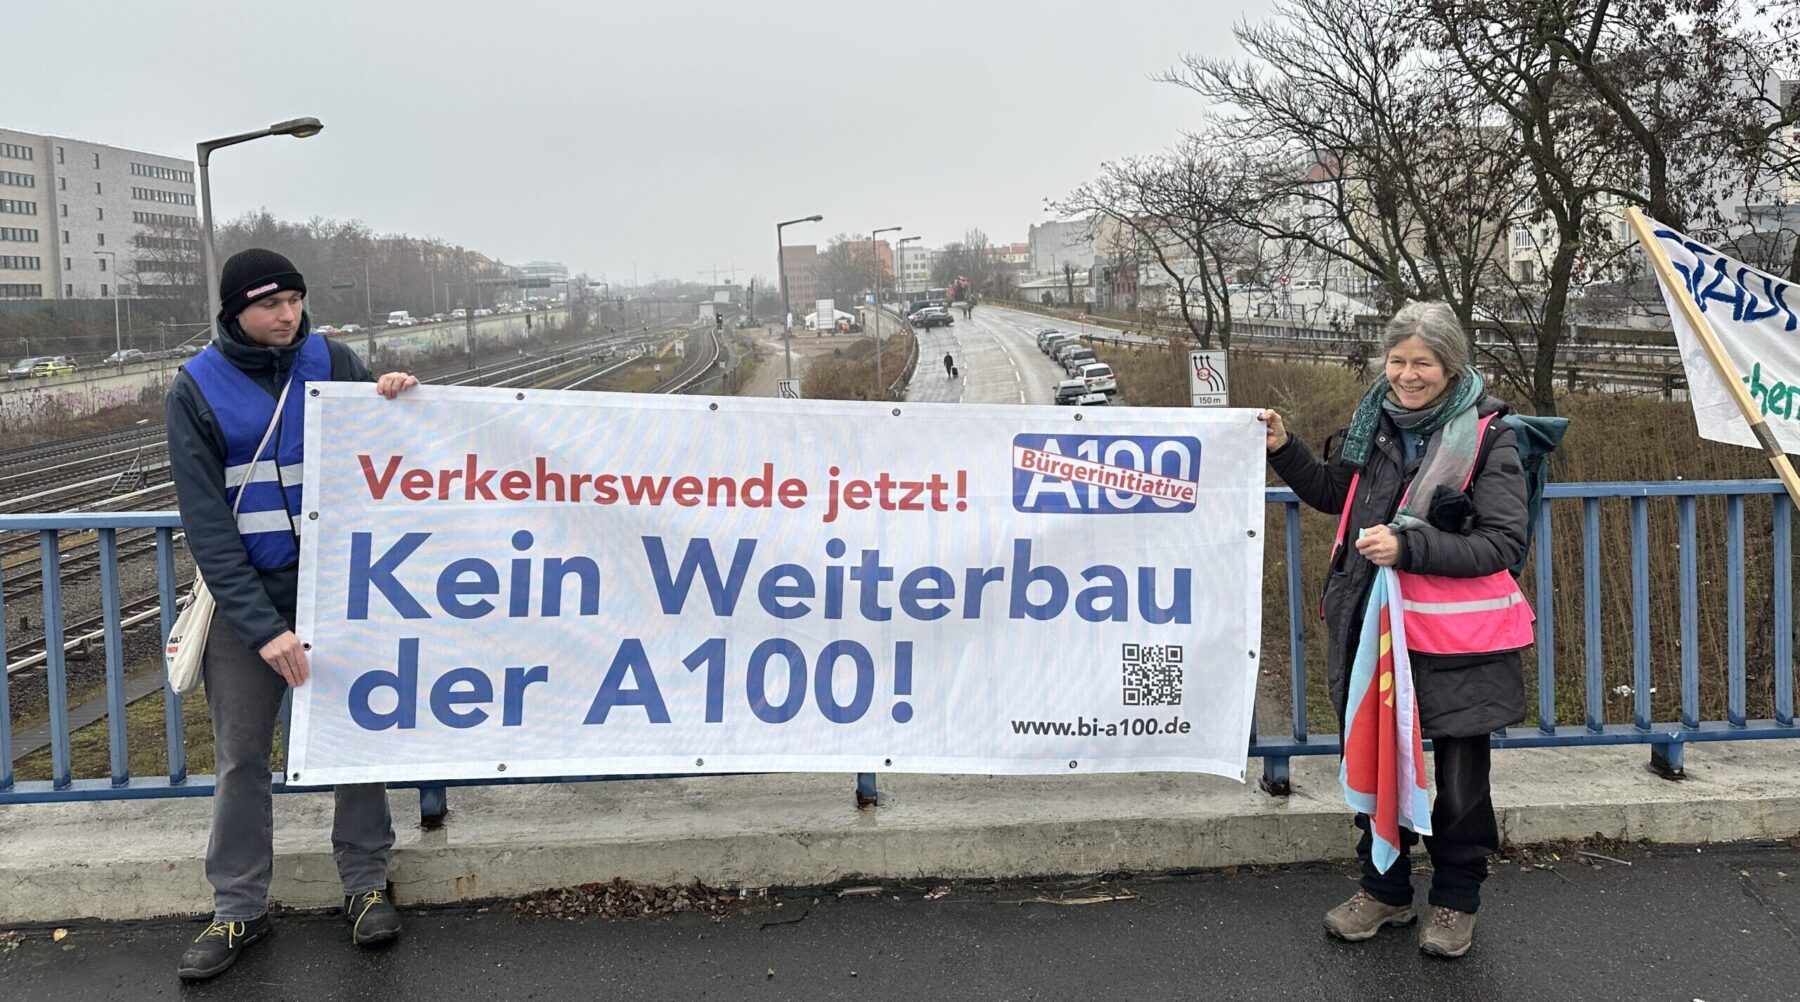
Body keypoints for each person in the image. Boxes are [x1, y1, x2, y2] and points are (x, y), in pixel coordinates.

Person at [166, 249, 421, 981]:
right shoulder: (196, 389)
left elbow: (383, 447)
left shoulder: (332, 359)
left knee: (354, 737)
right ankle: (238, 906)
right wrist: (264, 627)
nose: (289, 315)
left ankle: (365, 886)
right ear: (235, 311)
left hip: (339, 589)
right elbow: (208, 525)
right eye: (272, 304)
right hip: (253, 602)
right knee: (243, 757)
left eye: (296, 301)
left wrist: (395, 396)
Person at [1259, 301, 1531, 960]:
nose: (1408, 375)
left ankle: (1455, 903)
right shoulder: (1372, 422)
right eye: (1399, 360)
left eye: (1424, 363)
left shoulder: (1492, 437)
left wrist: (1411, 548)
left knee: (1463, 782)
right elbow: (1334, 494)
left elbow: (1502, 542)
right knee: (1375, 761)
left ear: (1451, 365)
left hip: (1456, 638)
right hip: (1375, 630)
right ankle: (1383, 891)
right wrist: (1284, 448)